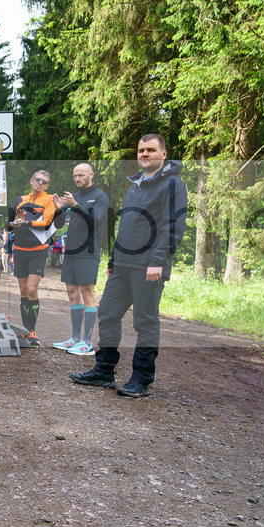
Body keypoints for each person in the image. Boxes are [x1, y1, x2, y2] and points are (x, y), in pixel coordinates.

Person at [71, 134, 187, 397]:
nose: (144, 154)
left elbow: (173, 226)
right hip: (123, 264)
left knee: (144, 321)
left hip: (148, 266)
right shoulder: (136, 185)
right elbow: (127, 226)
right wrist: (114, 259)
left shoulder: (172, 184)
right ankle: (104, 370)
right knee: (108, 313)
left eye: (150, 150)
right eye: (141, 150)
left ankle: (142, 379)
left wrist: (158, 261)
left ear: (163, 154)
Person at [51, 163, 109, 357]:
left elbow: (95, 222)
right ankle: (75, 338)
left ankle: (87, 342)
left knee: (87, 294)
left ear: (91, 175)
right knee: (71, 293)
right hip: (71, 252)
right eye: (75, 175)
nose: (77, 178)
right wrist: (59, 210)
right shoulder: (72, 197)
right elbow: (58, 225)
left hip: (88, 252)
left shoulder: (99, 196)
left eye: (81, 175)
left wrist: (76, 206)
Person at [7, 170, 57, 346]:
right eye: (37, 180)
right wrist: (14, 222)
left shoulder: (49, 199)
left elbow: (47, 223)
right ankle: (25, 330)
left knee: (31, 288)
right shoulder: (19, 200)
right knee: (22, 291)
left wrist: (25, 222)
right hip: (19, 250)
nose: (40, 183)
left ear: (47, 185)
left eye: (44, 182)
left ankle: (32, 331)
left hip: (38, 250)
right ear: (31, 180)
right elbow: (8, 224)